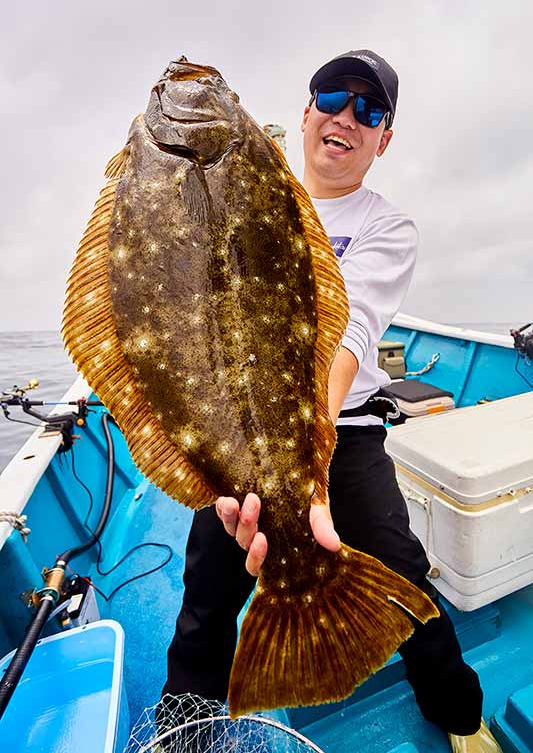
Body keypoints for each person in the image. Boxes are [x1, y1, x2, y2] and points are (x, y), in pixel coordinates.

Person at [163, 49, 502, 753]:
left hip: (340, 431)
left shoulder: (386, 226)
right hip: (234, 430)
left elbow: (353, 329)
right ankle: (184, 731)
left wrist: (304, 455)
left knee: (400, 574)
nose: (347, 116)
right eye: (333, 98)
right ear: (306, 112)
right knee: (207, 590)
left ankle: (460, 717)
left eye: (369, 110)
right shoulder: (242, 186)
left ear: (384, 138)